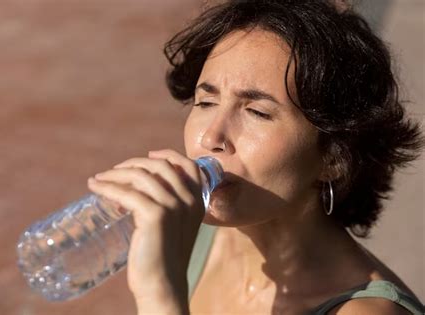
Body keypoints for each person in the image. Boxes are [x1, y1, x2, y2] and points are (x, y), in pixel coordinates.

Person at [88, 1, 424, 314]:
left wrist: (159, 293)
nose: (211, 138)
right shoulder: (197, 229)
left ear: (334, 157)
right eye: (206, 103)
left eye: (257, 112)